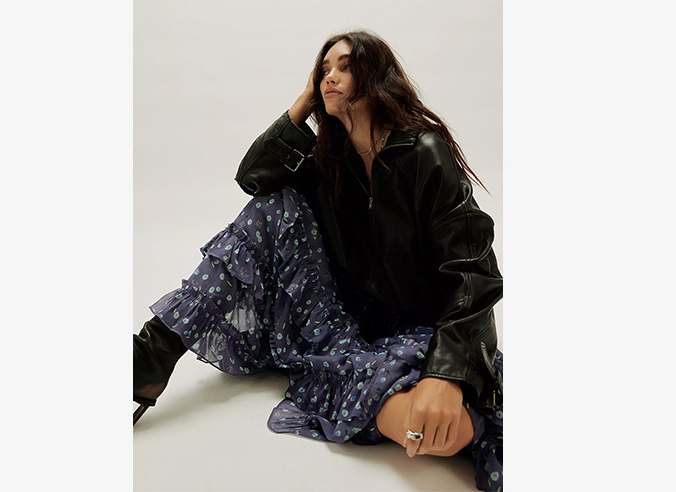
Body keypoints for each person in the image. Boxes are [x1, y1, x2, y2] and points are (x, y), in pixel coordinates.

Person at [134, 29, 503, 491]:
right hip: (339, 316)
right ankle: (152, 352)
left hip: (417, 329)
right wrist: (305, 102)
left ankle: (423, 397)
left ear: (377, 75)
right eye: (323, 69)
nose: (330, 76)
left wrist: (446, 375)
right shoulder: (329, 158)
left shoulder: (422, 152)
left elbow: (473, 271)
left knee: (434, 432)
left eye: (346, 66)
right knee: (273, 205)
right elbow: (253, 178)